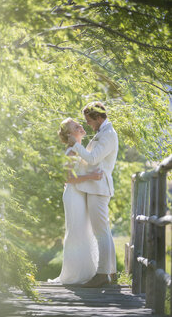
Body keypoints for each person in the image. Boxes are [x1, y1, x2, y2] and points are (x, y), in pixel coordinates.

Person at [68, 102, 118, 288]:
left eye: (89, 121)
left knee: (100, 231)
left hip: (99, 187)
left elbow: (93, 158)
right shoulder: (102, 134)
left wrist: (75, 144)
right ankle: (110, 271)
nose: (88, 124)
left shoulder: (108, 135)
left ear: (98, 118)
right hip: (94, 186)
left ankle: (103, 273)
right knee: (103, 230)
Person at [48, 117, 103, 285]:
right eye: (76, 126)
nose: (80, 126)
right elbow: (69, 178)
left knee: (84, 231)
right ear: (69, 134)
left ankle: (86, 272)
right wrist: (92, 176)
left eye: (79, 124)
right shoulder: (71, 151)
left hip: (80, 194)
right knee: (76, 232)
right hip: (73, 195)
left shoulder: (79, 149)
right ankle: (75, 274)